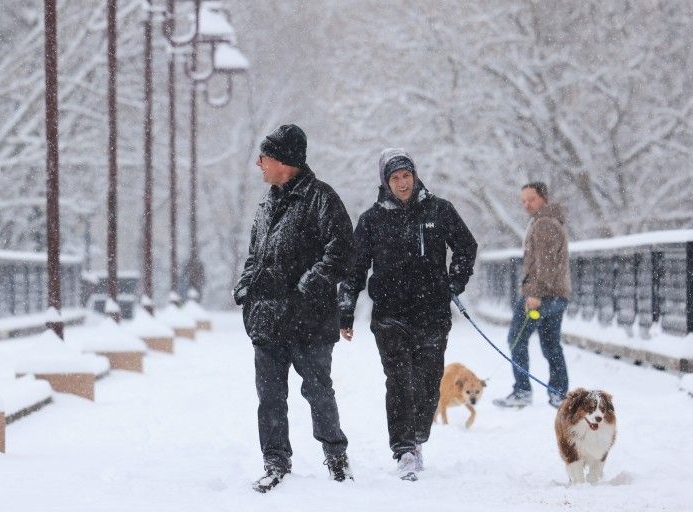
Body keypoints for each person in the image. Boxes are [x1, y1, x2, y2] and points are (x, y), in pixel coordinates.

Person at [339, 148, 477, 481]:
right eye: (395, 178)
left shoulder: (439, 210)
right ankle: (404, 450)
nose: (402, 183)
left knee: (429, 383)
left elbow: (466, 246)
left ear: (415, 176)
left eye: (407, 176)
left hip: (432, 313)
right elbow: (354, 268)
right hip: (390, 315)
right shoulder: (372, 220)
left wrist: (455, 281)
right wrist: (346, 310)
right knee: (399, 381)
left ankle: (417, 438)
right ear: (385, 182)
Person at [233, 124, 356, 493]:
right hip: (267, 319)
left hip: (309, 320)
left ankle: (336, 457)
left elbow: (341, 253)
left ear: (284, 162)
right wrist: (246, 286)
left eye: (264, 157)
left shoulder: (322, 199)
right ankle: (275, 463)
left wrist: (308, 286)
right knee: (270, 398)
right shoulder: (266, 203)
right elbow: (256, 255)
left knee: (318, 391)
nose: (259, 163)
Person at [493, 182, 571, 409]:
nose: (526, 205)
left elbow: (545, 264)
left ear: (543, 198)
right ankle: (559, 393)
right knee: (551, 345)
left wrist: (535, 293)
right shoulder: (552, 221)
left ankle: (522, 391)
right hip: (557, 294)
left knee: (516, 339)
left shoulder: (544, 224)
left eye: (531, 199)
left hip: (541, 296)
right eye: (523, 201)